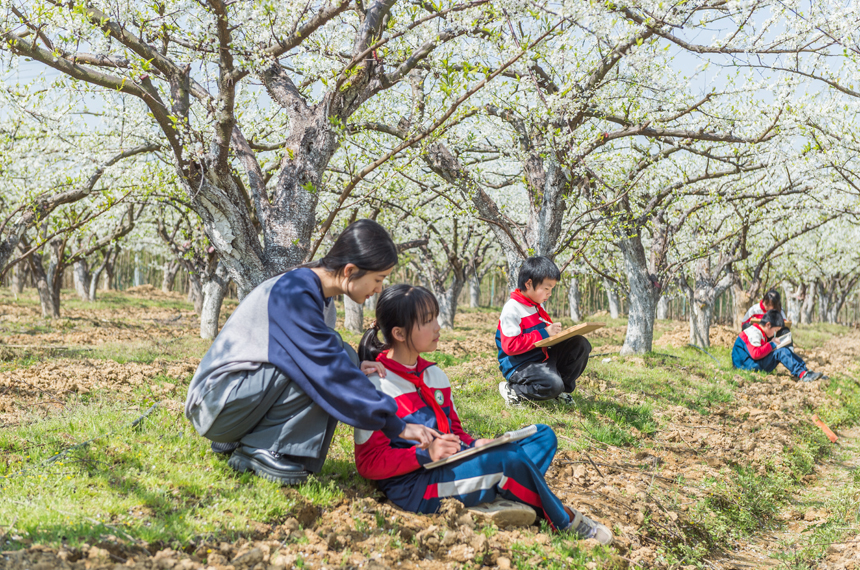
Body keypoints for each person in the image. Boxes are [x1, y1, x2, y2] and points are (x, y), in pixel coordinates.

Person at [184, 220, 438, 485]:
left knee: (343, 357)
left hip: (234, 400)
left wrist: (351, 366)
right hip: (215, 406)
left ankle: (246, 438)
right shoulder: (294, 294)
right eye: (378, 279)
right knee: (328, 365)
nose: (378, 289)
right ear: (350, 270)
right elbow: (324, 368)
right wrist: (398, 425)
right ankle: (263, 449)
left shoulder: (320, 299)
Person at [354, 284, 613, 543]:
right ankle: (565, 521)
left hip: (450, 464)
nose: (437, 327)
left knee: (543, 436)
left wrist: (476, 444)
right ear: (398, 333)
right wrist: (424, 454)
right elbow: (369, 463)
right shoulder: (376, 386)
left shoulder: (435, 376)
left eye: (436, 317)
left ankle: (498, 491)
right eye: (427, 321)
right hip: (416, 486)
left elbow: (455, 433)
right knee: (507, 460)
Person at [495, 257, 591, 406]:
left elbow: (543, 337)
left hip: (541, 357)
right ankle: (514, 389)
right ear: (529, 284)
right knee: (552, 384)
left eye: (551, 289)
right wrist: (545, 333)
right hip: (520, 365)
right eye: (546, 289)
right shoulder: (512, 309)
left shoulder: (535, 305)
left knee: (580, 343)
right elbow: (510, 346)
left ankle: (560, 391)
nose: (549, 294)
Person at [731, 310, 823, 381]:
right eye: (775, 331)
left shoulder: (759, 332)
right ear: (768, 325)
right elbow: (755, 353)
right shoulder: (754, 332)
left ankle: (804, 371)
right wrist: (772, 344)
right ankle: (803, 374)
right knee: (781, 352)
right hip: (746, 366)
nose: (774, 334)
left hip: (749, 364)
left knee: (782, 350)